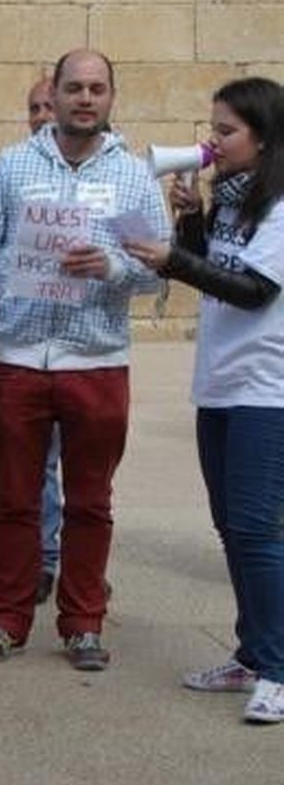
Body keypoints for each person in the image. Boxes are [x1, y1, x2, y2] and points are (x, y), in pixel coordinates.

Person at [0, 49, 168, 670]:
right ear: (57, 93)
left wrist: (116, 267)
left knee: (90, 502)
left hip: (96, 361)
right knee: (16, 499)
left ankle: (82, 624)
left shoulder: (130, 176)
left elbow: (158, 273)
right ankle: (7, 621)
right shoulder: (15, 166)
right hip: (20, 357)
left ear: (111, 97)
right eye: (74, 87)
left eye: (97, 89)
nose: (85, 99)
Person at [123, 77, 284, 725]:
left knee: (255, 527)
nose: (210, 141)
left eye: (225, 131)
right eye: (212, 127)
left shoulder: (279, 206)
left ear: (264, 138)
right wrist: (190, 221)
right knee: (231, 528)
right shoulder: (236, 200)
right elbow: (201, 266)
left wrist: (172, 259)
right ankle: (251, 653)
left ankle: (276, 667)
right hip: (219, 382)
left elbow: (250, 289)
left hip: (266, 389)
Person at [23, 75, 65, 604]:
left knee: (86, 474)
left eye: (47, 105)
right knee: (36, 468)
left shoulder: (119, 173)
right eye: (34, 107)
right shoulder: (16, 169)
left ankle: (78, 563)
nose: (41, 114)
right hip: (28, 346)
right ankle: (42, 558)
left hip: (89, 352)